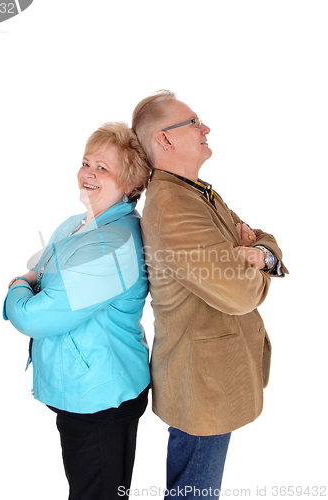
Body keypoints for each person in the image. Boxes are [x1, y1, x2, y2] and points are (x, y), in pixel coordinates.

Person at [132, 90, 288, 499]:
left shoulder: (197, 192)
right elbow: (239, 294)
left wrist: (259, 254)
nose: (206, 128)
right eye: (194, 122)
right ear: (165, 139)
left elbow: (263, 238)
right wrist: (253, 262)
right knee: (194, 495)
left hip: (212, 378)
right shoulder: (172, 204)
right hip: (201, 383)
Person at [3, 122, 151, 500]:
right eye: (86, 162)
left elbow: (33, 314)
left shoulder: (115, 243)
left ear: (130, 183)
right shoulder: (74, 225)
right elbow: (43, 279)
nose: (88, 173)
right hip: (80, 394)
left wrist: (19, 285)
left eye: (103, 168)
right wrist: (33, 281)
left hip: (102, 399)